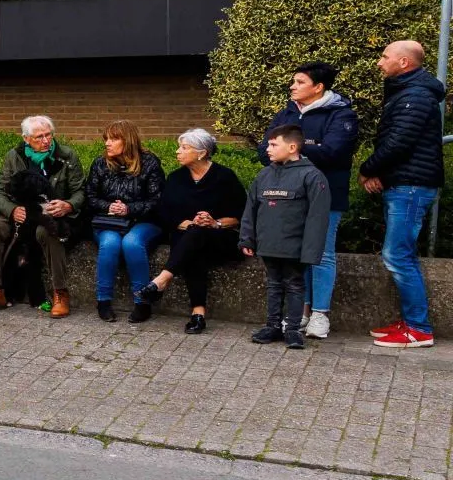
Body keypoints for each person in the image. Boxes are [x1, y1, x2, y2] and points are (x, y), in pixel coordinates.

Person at [360, 40, 445, 348]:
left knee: (397, 255)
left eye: (385, 57)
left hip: (411, 186)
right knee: (401, 253)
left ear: (404, 63)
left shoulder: (416, 96)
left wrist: (368, 169)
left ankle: (419, 329)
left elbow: (399, 142)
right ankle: (411, 322)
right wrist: (381, 173)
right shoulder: (407, 92)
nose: (380, 62)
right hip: (404, 182)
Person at [0, 115, 86, 317]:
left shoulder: (67, 156)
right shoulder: (14, 156)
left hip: (54, 214)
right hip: (22, 213)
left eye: (48, 135)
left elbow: (81, 191)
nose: (45, 141)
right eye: (39, 137)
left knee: (48, 231)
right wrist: (12, 210)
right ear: (26, 139)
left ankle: (60, 293)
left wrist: (68, 205)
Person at [138, 129, 247, 334]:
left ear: (201, 153)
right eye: (179, 147)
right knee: (194, 246)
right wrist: (186, 223)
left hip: (221, 238)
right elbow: (163, 212)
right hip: (188, 238)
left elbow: (240, 214)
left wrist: (215, 223)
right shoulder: (176, 178)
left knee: (196, 238)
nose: (178, 151)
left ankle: (162, 280)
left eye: (184, 148)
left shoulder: (224, 177)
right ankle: (198, 315)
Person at [241, 125, 332, 349]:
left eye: (273, 144)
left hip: (294, 246)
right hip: (268, 244)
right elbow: (250, 208)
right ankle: (272, 325)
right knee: (273, 284)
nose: (268, 149)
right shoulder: (264, 174)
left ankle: (291, 329)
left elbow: (317, 218)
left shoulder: (311, 175)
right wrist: (247, 238)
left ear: (292, 147)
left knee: (294, 285)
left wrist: (310, 251)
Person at [85, 120, 166, 323]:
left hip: (143, 221)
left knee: (132, 243)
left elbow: (157, 200)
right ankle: (103, 301)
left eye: (113, 139)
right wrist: (109, 207)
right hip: (108, 222)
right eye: (106, 139)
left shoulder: (149, 163)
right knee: (110, 243)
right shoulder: (100, 163)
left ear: (127, 141)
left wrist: (129, 209)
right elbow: (90, 196)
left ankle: (142, 302)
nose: (107, 143)